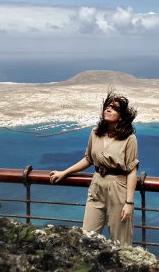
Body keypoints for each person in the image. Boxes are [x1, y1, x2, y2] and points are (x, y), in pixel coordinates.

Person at [49, 91, 139, 246]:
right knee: (86, 238)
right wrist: (64, 172)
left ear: (122, 116)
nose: (108, 109)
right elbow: (88, 159)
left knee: (121, 243)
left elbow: (132, 170)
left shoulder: (129, 138)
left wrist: (129, 203)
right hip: (96, 186)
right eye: (107, 106)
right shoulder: (95, 133)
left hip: (118, 189)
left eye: (114, 108)